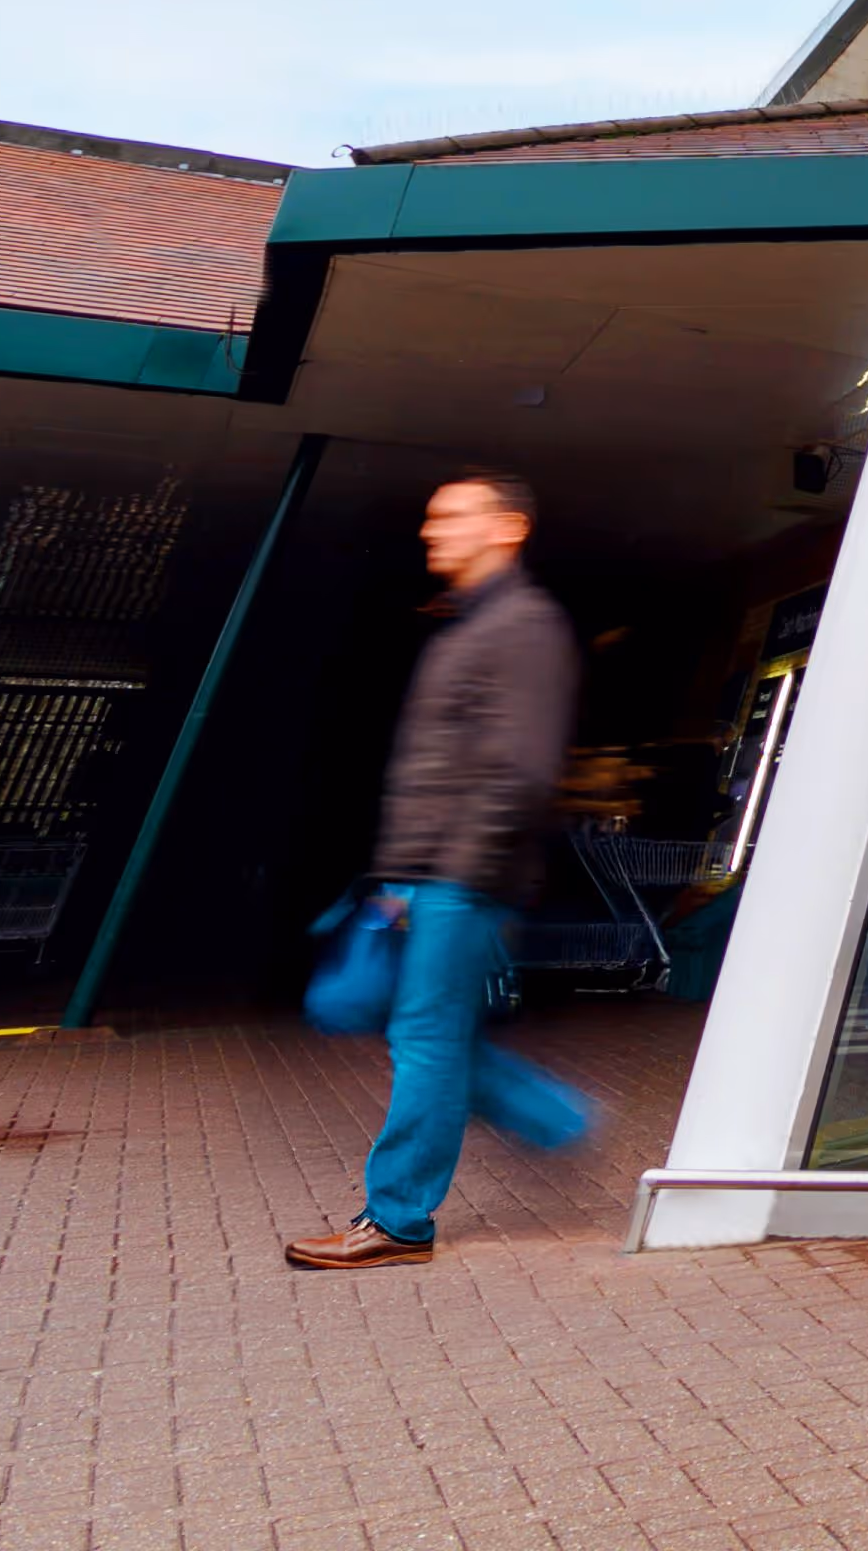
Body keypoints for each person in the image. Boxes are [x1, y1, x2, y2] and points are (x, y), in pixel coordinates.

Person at [287, 472, 594, 1268]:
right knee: (360, 1006)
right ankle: (554, 1119)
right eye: (430, 518)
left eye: (452, 517)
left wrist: (449, 881)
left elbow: (519, 771)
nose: (432, 531)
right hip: (422, 877)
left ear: (508, 528)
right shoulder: (466, 628)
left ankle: (397, 1220)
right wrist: (397, 881)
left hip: (460, 881)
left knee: (422, 1039)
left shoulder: (525, 626)